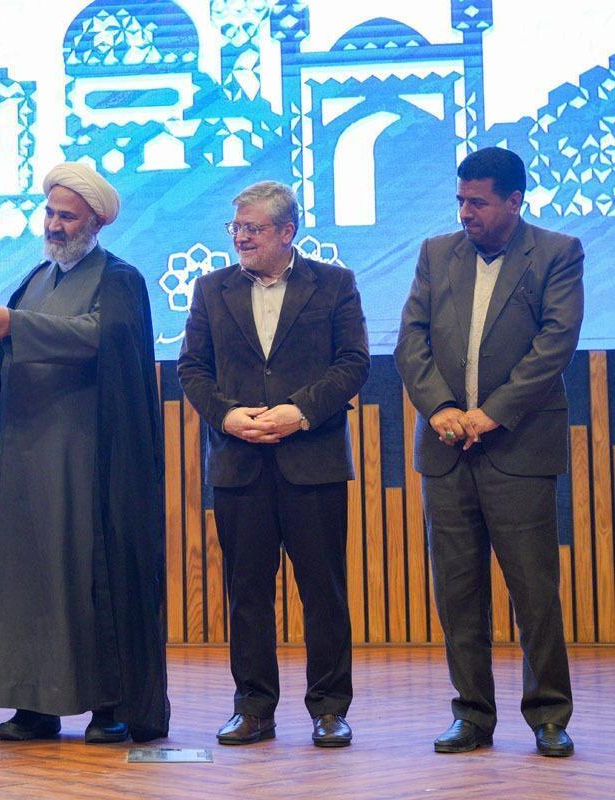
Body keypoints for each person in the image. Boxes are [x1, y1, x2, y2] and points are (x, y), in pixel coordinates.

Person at [0, 162, 169, 743]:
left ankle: (108, 707)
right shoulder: (36, 278)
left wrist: (16, 325)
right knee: (24, 580)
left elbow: (103, 337)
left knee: (89, 578)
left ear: (95, 222)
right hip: (22, 458)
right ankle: (33, 704)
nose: (55, 225)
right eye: (50, 213)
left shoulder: (120, 278)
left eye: (67, 216)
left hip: (87, 462)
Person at [395, 146, 581, 757]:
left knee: (534, 591)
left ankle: (548, 716)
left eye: (477, 202)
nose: (465, 213)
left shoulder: (556, 253)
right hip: (446, 448)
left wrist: (491, 413)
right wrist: (441, 409)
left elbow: (555, 344)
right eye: (460, 201)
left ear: (514, 201)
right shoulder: (435, 254)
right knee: (457, 590)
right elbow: (411, 340)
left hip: (519, 447)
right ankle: (472, 715)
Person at [178, 180, 368, 747]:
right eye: (235, 227)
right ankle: (253, 708)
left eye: (253, 228)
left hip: (312, 460)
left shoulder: (334, 284)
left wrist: (299, 412)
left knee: (323, 592)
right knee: (248, 593)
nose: (240, 237)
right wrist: (226, 416)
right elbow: (192, 367)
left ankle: (329, 709)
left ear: (287, 232)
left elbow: (353, 362)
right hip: (239, 461)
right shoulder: (210, 289)